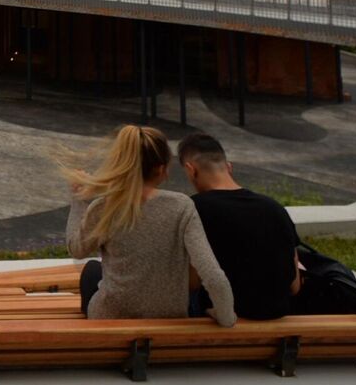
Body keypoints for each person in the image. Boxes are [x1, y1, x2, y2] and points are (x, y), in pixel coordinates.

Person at [65, 124, 236, 326]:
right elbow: (213, 276)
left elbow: (76, 249)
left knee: (91, 271)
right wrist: (226, 318)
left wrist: (78, 200)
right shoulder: (182, 206)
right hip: (169, 316)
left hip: (111, 317)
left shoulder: (105, 207)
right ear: (161, 168)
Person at [177, 132, 301, 320]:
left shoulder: (194, 209)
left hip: (225, 322)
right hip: (278, 320)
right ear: (229, 167)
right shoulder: (274, 208)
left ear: (190, 170)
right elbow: (294, 286)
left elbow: (191, 283)